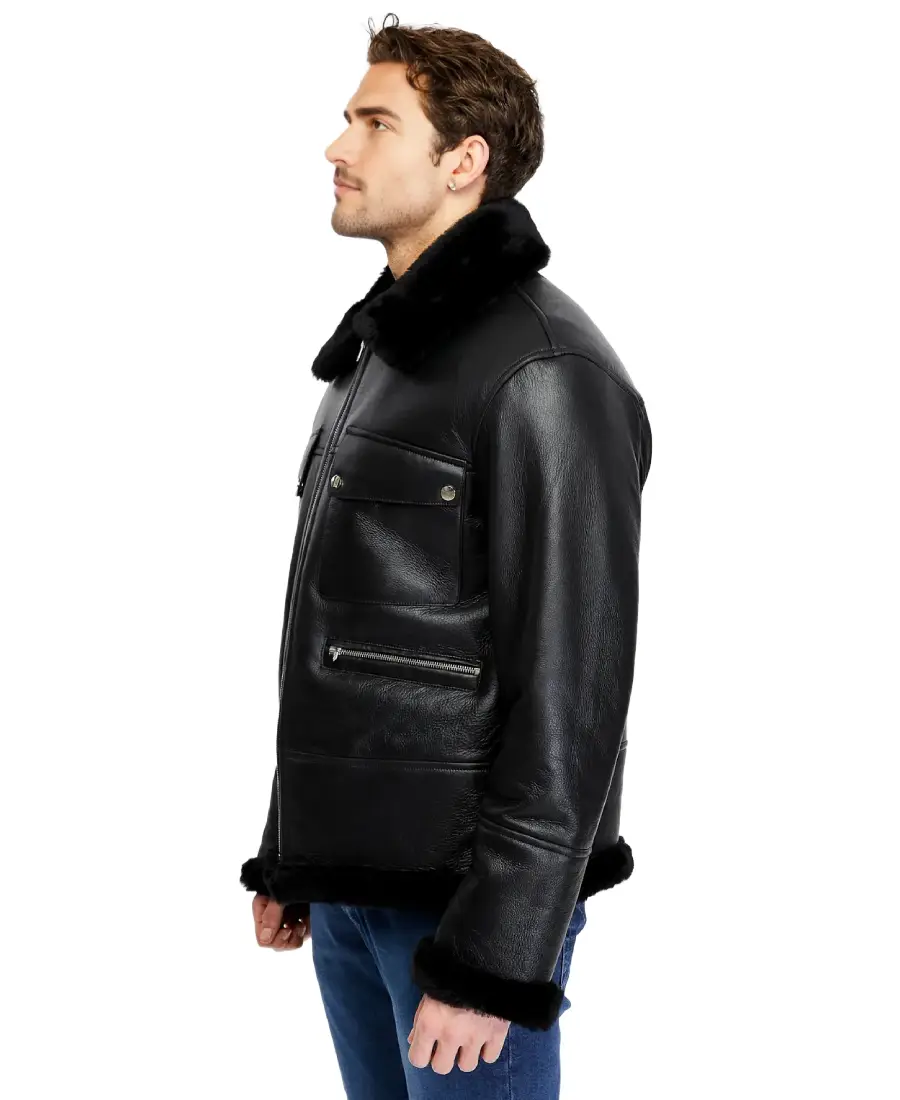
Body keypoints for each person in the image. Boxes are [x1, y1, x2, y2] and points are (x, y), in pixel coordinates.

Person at [240, 13, 652, 1098]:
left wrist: (495, 955)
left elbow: (575, 696)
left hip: (463, 913)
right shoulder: (381, 356)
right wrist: (295, 846)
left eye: (376, 123)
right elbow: (344, 630)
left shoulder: (544, 370)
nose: (338, 146)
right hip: (356, 887)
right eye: (348, 118)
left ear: (465, 161)